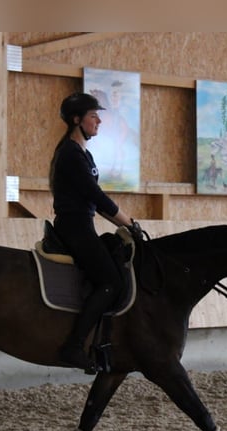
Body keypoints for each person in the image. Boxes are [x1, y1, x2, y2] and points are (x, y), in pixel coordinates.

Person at [49, 92, 137, 372]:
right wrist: (129, 223)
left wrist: (123, 224)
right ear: (77, 120)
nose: (99, 120)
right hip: (74, 226)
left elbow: (95, 204)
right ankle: (74, 346)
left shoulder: (81, 153)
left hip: (82, 223)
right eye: (92, 116)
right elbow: (96, 196)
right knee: (110, 281)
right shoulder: (71, 154)